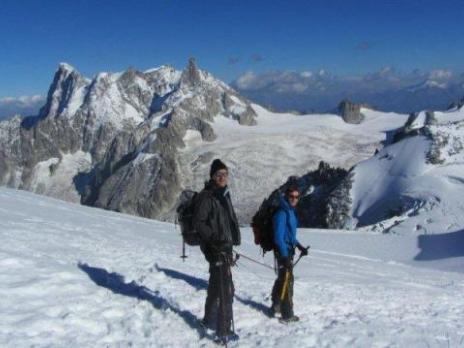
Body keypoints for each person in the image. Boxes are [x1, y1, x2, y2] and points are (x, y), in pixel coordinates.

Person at [193, 159, 241, 342]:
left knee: (216, 285)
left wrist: (232, 240)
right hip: (215, 249)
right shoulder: (207, 196)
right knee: (225, 289)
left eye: (224, 174)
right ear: (212, 177)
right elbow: (199, 222)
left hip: (224, 247)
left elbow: (228, 221)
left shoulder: (224, 194)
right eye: (218, 175)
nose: (222, 177)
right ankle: (223, 332)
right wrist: (214, 240)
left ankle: (208, 320)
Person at [270, 185, 308, 322]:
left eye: (296, 197)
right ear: (287, 196)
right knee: (287, 280)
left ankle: (276, 305)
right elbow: (278, 237)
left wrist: (299, 246)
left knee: (283, 278)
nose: (294, 199)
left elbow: (289, 235)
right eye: (291, 196)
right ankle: (287, 314)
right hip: (283, 251)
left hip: (287, 250)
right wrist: (285, 256)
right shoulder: (282, 212)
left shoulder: (289, 211)